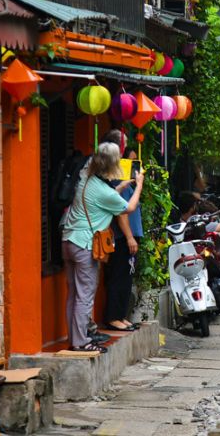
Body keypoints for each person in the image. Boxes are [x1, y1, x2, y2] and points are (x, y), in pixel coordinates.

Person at [62, 142, 144, 353]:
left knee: (73, 294)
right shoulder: (103, 192)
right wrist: (139, 185)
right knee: (85, 295)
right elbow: (129, 207)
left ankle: (75, 338)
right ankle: (81, 343)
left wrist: (120, 187)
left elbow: (101, 197)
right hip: (84, 245)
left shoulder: (85, 179)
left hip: (69, 240)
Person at [103, 147, 143, 332]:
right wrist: (129, 237)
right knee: (119, 276)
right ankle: (113, 317)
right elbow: (122, 213)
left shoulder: (127, 184)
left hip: (131, 236)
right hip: (123, 237)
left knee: (127, 277)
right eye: (131, 162)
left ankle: (120, 316)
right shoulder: (120, 182)